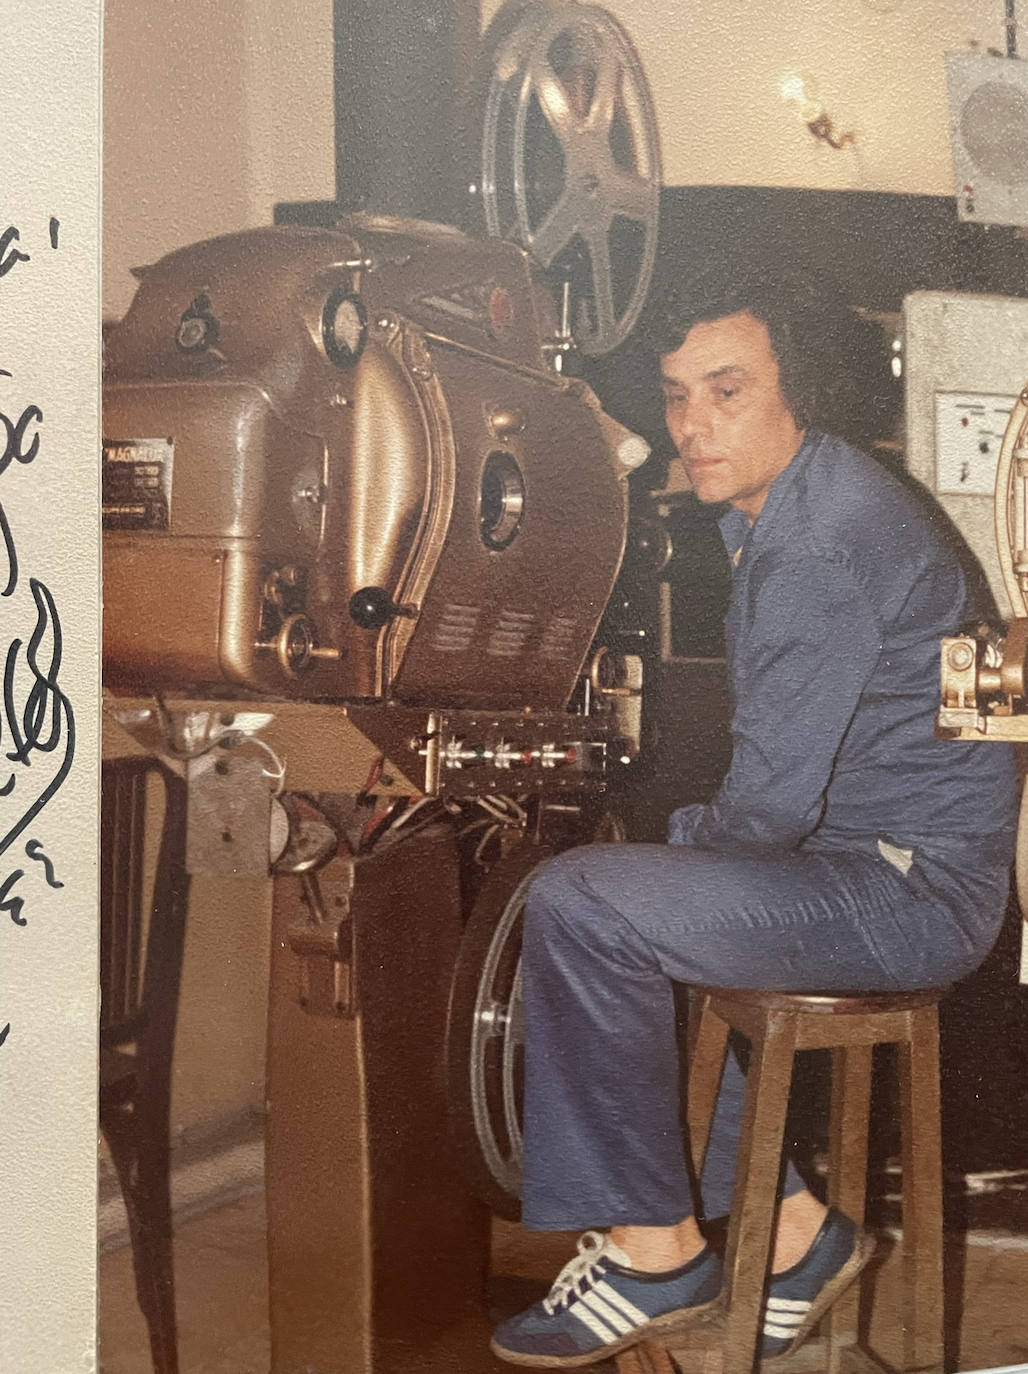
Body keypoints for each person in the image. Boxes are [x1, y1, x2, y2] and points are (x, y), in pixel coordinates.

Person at [491, 271, 1018, 1369]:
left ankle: (654, 1252)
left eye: (725, 392)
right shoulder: (799, 502)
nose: (690, 424)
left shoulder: (815, 540)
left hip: (905, 892)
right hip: (885, 868)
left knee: (581, 899)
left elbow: (771, 801)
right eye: (677, 394)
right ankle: (793, 1233)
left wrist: (674, 853)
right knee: (645, 898)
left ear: (800, 395)